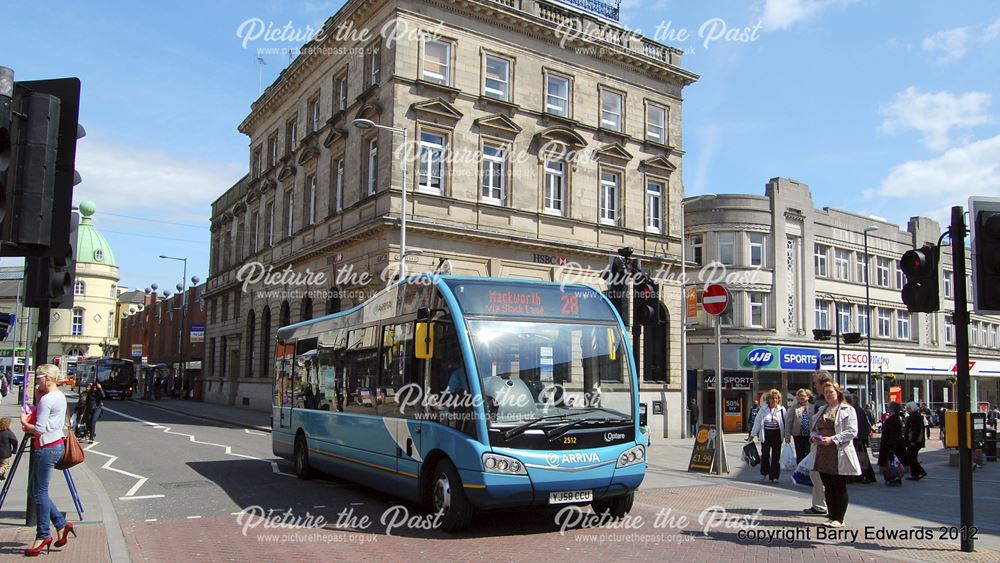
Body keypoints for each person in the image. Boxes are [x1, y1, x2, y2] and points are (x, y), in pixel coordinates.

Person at [19, 364, 76, 555]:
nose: (37, 380)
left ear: (48, 378)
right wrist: (37, 399)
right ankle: (61, 524)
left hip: (46, 448)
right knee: (34, 490)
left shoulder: (47, 400)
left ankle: (43, 535)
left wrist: (25, 423)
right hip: (56, 445)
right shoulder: (59, 396)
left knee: (40, 492)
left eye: (39, 377)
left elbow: (40, 428)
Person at [806, 380, 861, 528]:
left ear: (838, 392)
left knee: (838, 486)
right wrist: (814, 437)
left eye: (831, 392)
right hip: (822, 452)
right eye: (825, 392)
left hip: (838, 451)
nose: (828, 395)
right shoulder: (822, 409)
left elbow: (852, 431)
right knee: (827, 486)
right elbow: (814, 427)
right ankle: (831, 516)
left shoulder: (847, 409)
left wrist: (832, 439)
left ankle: (839, 518)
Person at [803, 370, 833, 516]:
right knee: (815, 473)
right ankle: (819, 504)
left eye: (816, 383)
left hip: (828, 445)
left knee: (822, 476)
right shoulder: (820, 402)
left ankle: (825, 506)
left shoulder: (826, 402)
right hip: (818, 443)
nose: (814, 386)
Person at [749, 388, 787, 483]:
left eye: (776, 398)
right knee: (765, 455)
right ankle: (764, 473)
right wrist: (752, 435)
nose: (774, 400)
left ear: (778, 399)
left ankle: (774, 476)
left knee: (776, 457)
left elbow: (786, 422)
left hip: (777, 434)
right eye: (772, 398)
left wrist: (787, 435)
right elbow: (757, 422)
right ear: (768, 399)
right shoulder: (763, 409)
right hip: (766, 434)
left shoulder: (781, 409)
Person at [878, 402, 907, 485]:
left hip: (890, 444)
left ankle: (893, 477)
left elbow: (892, 433)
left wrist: (891, 446)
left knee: (892, 462)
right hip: (891, 443)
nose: (887, 408)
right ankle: (892, 477)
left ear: (892, 409)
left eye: (889, 407)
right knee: (891, 462)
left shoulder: (893, 419)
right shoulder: (894, 418)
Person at [785, 389, 814, 463]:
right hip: (798, 435)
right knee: (800, 455)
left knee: (809, 455)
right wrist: (787, 436)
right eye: (799, 396)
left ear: (808, 397)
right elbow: (789, 422)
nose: (801, 398)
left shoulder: (813, 407)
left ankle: (807, 472)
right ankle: (800, 471)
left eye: (803, 396)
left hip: (810, 436)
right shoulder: (794, 407)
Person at [904, 402, 927, 480]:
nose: (906, 409)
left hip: (914, 441)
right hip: (914, 441)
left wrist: (913, 440)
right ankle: (915, 474)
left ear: (911, 408)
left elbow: (915, 430)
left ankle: (920, 471)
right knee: (911, 457)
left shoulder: (915, 417)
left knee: (911, 457)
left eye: (907, 408)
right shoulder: (914, 416)